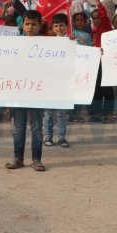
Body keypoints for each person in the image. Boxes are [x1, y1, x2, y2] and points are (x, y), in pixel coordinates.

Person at [4, 9, 46, 171]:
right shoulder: (14, 43)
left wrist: (69, 41)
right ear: (22, 25)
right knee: (19, 128)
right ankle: (18, 158)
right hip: (18, 92)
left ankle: (36, 159)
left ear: (39, 26)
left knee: (36, 128)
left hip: (37, 93)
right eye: (27, 24)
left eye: (34, 24)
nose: (30, 27)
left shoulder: (48, 44)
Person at [43, 13, 70, 148]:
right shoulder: (48, 44)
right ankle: (48, 135)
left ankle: (61, 137)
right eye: (56, 26)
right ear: (52, 28)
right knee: (48, 112)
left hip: (63, 83)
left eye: (61, 25)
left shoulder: (72, 42)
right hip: (50, 82)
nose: (59, 28)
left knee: (61, 113)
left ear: (67, 27)